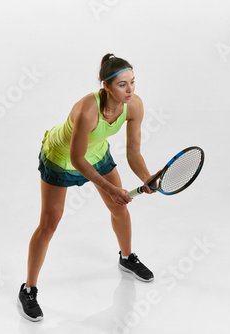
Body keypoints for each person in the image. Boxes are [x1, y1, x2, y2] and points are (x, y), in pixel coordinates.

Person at [18, 53, 157, 322]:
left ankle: (127, 258)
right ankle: (28, 289)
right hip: (61, 156)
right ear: (105, 86)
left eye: (133, 82)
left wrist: (146, 177)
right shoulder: (87, 110)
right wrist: (109, 188)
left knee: (119, 210)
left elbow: (133, 153)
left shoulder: (135, 106)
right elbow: (76, 159)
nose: (130, 90)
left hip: (97, 153)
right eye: (122, 84)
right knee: (50, 223)